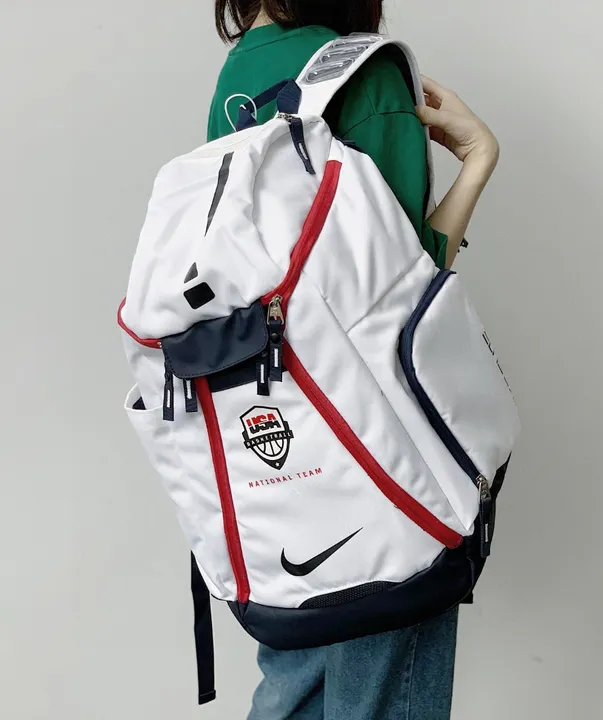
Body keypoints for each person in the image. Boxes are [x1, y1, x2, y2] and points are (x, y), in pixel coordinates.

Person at [209, 2, 500, 718]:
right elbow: (403, 293)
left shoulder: (238, 74)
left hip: (272, 440)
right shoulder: (365, 75)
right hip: (377, 442)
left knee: (296, 682)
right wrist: (477, 160)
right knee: (381, 680)